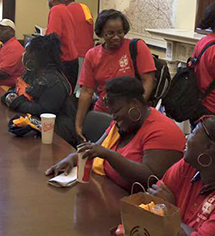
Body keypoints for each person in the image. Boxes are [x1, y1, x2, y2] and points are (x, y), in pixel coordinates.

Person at [46, 76, 185, 191]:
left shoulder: (163, 131)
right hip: (104, 191)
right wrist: (72, 158)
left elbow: (150, 178)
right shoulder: (123, 122)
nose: (114, 117)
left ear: (135, 104)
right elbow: (95, 149)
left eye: (116, 111)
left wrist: (109, 155)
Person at [76, 9, 156, 141]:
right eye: (110, 33)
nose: (116, 37)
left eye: (120, 32)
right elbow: (86, 91)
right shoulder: (92, 55)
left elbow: (148, 81)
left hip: (130, 115)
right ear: (101, 33)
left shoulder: (137, 48)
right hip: (103, 112)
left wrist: (135, 109)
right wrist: (78, 124)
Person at [2, 34, 77, 146]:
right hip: (38, 128)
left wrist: (15, 102)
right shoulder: (32, 73)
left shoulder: (54, 81)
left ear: (34, 56)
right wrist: (9, 96)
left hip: (57, 136)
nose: (23, 54)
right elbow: (17, 90)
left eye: (25, 51)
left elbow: (44, 111)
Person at [46, 0, 79, 89]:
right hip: (72, 61)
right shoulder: (66, 9)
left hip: (63, 62)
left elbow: (53, 38)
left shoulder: (55, 10)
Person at [64, 0, 94, 95]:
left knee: (72, 87)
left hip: (73, 53)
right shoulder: (85, 8)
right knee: (83, 85)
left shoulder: (64, 11)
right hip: (88, 52)